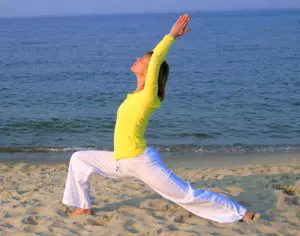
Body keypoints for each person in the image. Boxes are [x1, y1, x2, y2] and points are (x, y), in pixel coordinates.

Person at [62, 14, 256, 223]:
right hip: (120, 160)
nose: (137, 60)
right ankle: (83, 207)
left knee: (186, 195)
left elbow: (156, 59)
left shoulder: (149, 96)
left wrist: (171, 35)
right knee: (79, 158)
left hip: (141, 161)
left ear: (151, 71)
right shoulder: (134, 96)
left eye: (142, 60)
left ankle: (241, 212)